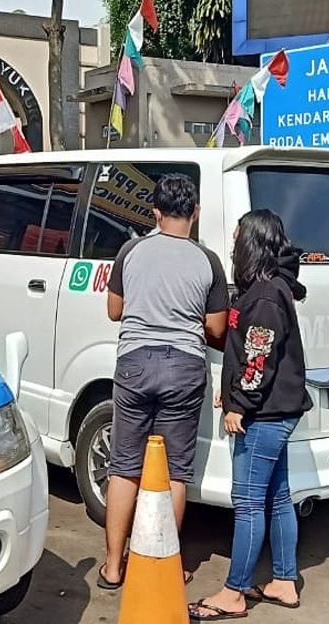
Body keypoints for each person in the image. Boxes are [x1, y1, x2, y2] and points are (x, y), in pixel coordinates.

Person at [98, 174, 229, 590]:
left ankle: (114, 568)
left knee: (124, 468)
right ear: (195, 213)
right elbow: (217, 328)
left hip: (135, 363)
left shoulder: (130, 251)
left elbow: (114, 311)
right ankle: (163, 566)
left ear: (155, 213)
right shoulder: (207, 261)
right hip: (185, 368)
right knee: (174, 472)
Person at [189, 210, 312, 621]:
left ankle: (234, 591)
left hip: (265, 414)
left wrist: (239, 403)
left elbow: (259, 361)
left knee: (247, 503)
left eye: (238, 235)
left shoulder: (263, 297)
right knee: (277, 498)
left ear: (252, 243)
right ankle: (283, 581)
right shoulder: (270, 289)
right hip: (277, 409)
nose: (233, 242)